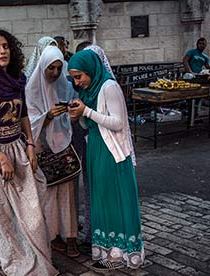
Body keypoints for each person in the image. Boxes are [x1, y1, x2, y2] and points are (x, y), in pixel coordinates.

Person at [0, 29, 58, 276]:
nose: (2, 51)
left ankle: (40, 262)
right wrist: (1, 157)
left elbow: (24, 114)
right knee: (3, 217)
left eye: (5, 46)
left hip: (19, 149)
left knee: (33, 211)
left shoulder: (17, 80)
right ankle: (18, 264)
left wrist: (30, 144)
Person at [67, 50, 144, 271]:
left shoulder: (109, 87)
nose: (77, 82)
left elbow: (118, 122)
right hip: (96, 150)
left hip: (112, 154)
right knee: (100, 200)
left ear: (91, 70)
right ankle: (108, 252)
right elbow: (89, 125)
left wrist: (87, 112)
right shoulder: (90, 90)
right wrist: (79, 116)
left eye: (79, 76)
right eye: (73, 77)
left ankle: (122, 254)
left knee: (115, 201)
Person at [25, 45, 80, 258]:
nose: (55, 73)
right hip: (41, 149)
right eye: (51, 69)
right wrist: (47, 116)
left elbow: (71, 112)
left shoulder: (63, 86)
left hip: (62, 143)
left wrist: (71, 114)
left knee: (67, 195)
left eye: (58, 68)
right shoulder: (31, 89)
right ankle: (53, 236)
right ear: (43, 67)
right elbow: (28, 122)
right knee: (48, 195)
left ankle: (71, 237)